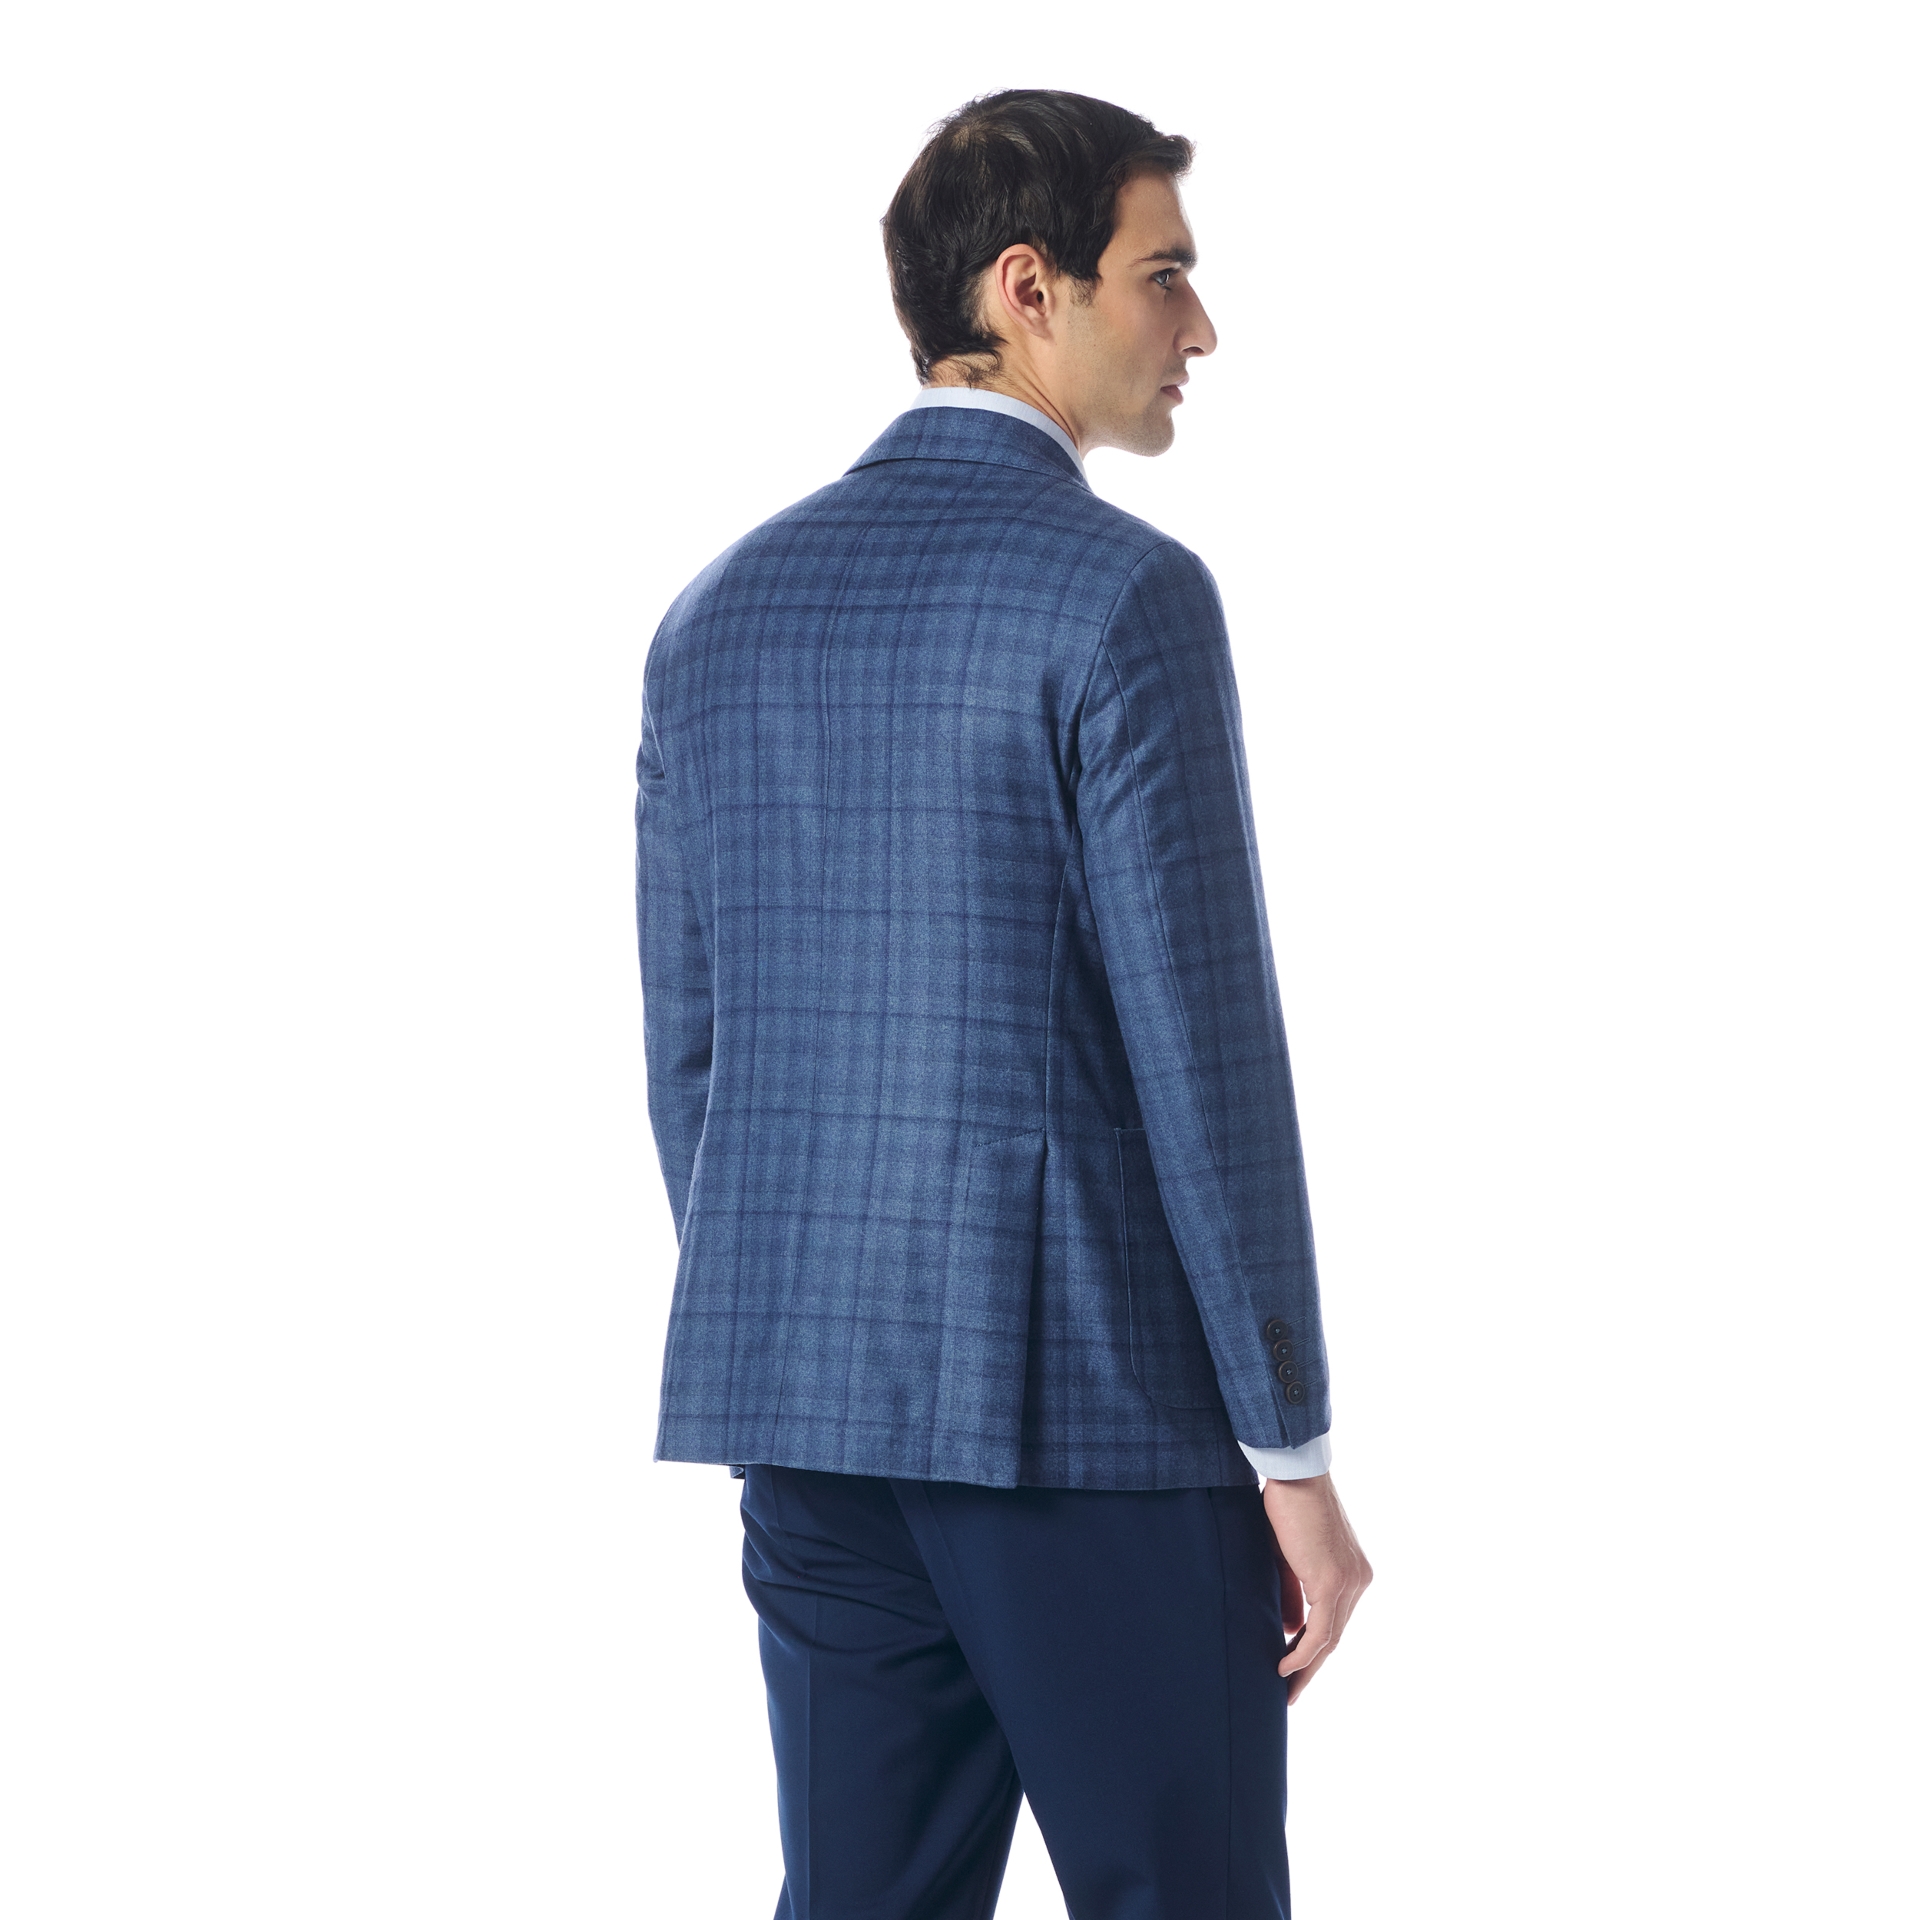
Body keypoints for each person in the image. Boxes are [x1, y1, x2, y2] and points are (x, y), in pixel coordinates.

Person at [635, 88, 1371, 1920]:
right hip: (1087, 1422)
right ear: (1028, 288)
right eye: (1166, 275)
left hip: (811, 1421)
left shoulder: (715, 616)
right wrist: (1291, 1453)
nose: (1203, 328)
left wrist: (809, 1318)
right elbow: (1207, 1062)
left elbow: (693, 1053)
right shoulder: (1123, 598)